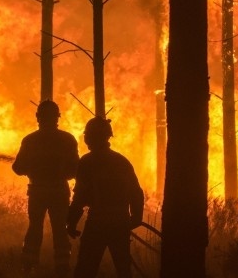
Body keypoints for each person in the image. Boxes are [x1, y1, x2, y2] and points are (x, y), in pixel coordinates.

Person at [66, 117, 144, 278]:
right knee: (123, 270)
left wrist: (71, 222)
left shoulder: (87, 162)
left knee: (85, 270)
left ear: (90, 137)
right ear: (108, 136)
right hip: (120, 222)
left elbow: (79, 197)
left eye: (87, 135)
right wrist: (136, 217)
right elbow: (136, 192)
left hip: (97, 222)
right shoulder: (122, 161)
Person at [12, 100, 80, 276]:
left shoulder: (30, 140)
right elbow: (75, 170)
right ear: (57, 117)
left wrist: (33, 167)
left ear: (38, 117)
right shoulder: (67, 139)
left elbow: (18, 168)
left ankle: (28, 266)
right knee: (60, 228)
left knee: (35, 227)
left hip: (38, 191)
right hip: (59, 191)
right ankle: (62, 267)